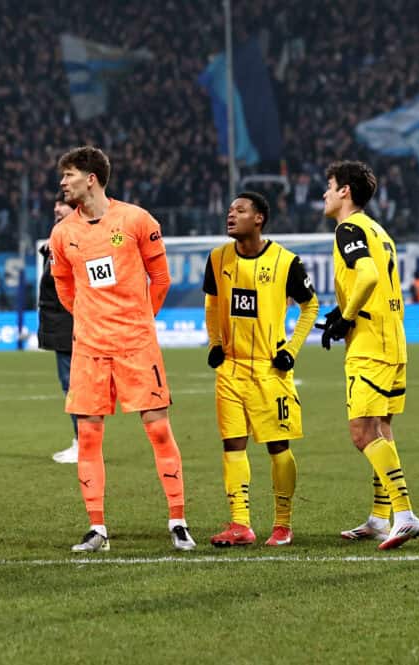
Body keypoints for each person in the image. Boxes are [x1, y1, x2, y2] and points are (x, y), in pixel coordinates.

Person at [49, 145, 195, 552]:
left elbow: (160, 278)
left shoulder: (135, 219)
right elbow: (64, 286)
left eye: (69, 174)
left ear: (91, 178)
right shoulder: (63, 234)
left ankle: (178, 520)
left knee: (159, 429)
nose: (63, 182)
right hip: (90, 347)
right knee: (89, 437)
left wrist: (140, 321)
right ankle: (97, 528)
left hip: (136, 345)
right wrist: (90, 317)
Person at [319, 160, 419, 550]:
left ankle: (404, 513)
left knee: (362, 433)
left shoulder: (348, 228)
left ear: (345, 190)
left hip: (369, 344)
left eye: (329, 186)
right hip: (394, 339)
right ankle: (382, 518)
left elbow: (366, 276)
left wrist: (346, 317)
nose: (325, 194)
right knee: (382, 428)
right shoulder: (379, 231)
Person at [204, 192, 319, 547]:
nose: (230, 214)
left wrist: (292, 349)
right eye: (229, 210)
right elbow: (211, 303)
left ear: (259, 219)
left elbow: (310, 306)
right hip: (231, 369)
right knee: (232, 445)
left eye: (240, 210)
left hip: (269, 371)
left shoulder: (286, 262)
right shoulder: (217, 258)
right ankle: (240, 524)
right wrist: (214, 343)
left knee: (277, 447)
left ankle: (282, 525)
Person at [38, 191, 78, 463]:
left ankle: (84, 444)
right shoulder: (57, 237)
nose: (56, 208)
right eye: (55, 203)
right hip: (60, 324)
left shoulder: (74, 237)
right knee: (72, 386)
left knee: (75, 387)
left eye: (62, 203)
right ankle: (81, 442)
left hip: (71, 324)